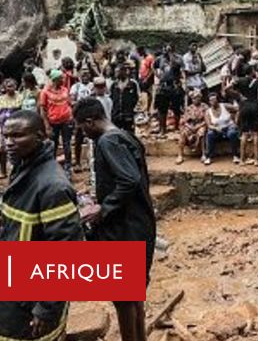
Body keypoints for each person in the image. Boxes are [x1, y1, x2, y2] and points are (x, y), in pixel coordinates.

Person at [0, 111, 82, 341]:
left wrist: (46, 307)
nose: (8, 143)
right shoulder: (24, 168)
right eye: (5, 136)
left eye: (18, 136)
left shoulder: (52, 186)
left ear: (39, 137)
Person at [75, 98, 156, 341]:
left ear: (90, 122)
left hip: (124, 227)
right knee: (134, 296)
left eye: (81, 127)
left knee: (123, 298)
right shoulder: (124, 136)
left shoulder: (107, 142)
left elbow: (129, 179)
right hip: (138, 222)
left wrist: (103, 208)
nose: (82, 133)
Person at [39, 70, 74, 176]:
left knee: (67, 144)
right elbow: (43, 110)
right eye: (61, 79)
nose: (63, 80)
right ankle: (52, 166)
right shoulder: (45, 92)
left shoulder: (64, 89)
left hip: (66, 121)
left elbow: (69, 103)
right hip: (53, 122)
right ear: (55, 80)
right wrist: (47, 126)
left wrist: (71, 116)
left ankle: (68, 166)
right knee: (53, 145)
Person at [0, 78, 20, 179]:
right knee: (1, 150)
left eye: (12, 86)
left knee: (15, 150)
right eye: (8, 86)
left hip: (16, 128)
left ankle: (15, 170)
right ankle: (3, 171)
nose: (10, 88)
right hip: (2, 128)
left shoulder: (20, 97)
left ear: (16, 86)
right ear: (4, 88)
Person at [203, 90, 241, 166]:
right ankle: (209, 157)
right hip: (217, 130)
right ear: (209, 102)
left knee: (232, 133)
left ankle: (235, 155)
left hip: (228, 127)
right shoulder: (208, 112)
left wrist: (236, 122)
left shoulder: (225, 106)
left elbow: (238, 109)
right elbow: (209, 125)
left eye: (214, 99)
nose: (213, 101)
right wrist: (215, 128)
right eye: (211, 100)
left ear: (217, 99)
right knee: (210, 134)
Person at [233, 66, 258, 164]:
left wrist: (239, 95)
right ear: (251, 71)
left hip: (244, 106)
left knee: (244, 134)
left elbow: (228, 88)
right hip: (255, 106)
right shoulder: (257, 82)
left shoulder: (239, 81)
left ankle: (241, 160)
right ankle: (257, 160)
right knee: (255, 134)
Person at [178, 90, 207, 164]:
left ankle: (204, 154)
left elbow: (207, 120)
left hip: (201, 125)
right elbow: (184, 120)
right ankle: (180, 155)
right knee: (183, 133)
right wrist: (189, 127)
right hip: (190, 126)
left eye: (197, 98)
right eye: (194, 98)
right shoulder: (189, 108)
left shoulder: (205, 106)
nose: (195, 100)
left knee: (202, 132)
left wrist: (198, 126)